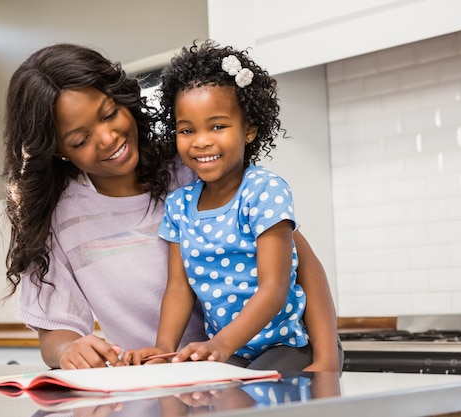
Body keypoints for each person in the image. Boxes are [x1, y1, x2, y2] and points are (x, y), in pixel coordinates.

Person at [2, 42, 342, 371]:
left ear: (123, 100)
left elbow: (301, 265)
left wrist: (326, 359)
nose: (108, 139)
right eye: (80, 139)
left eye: (109, 114)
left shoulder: (193, 166)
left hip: (255, 353)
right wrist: (68, 349)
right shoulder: (57, 218)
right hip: (170, 378)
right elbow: (55, 335)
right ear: (57, 149)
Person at [124, 40, 340, 371]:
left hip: (286, 344)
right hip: (231, 350)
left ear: (249, 129)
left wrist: (222, 344)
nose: (201, 140)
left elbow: (275, 287)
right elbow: (179, 288)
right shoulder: (180, 205)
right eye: (186, 129)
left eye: (218, 126)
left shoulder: (264, 191)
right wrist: (163, 349)